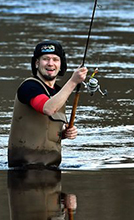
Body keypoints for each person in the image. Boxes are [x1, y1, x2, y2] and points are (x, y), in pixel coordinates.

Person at [8, 40, 88, 168]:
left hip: (52, 168)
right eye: (45, 59)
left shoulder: (59, 92)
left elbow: (47, 129)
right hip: (24, 169)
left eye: (55, 59)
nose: (50, 63)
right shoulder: (29, 87)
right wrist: (73, 82)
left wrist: (64, 134)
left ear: (61, 65)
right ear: (36, 63)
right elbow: (48, 108)